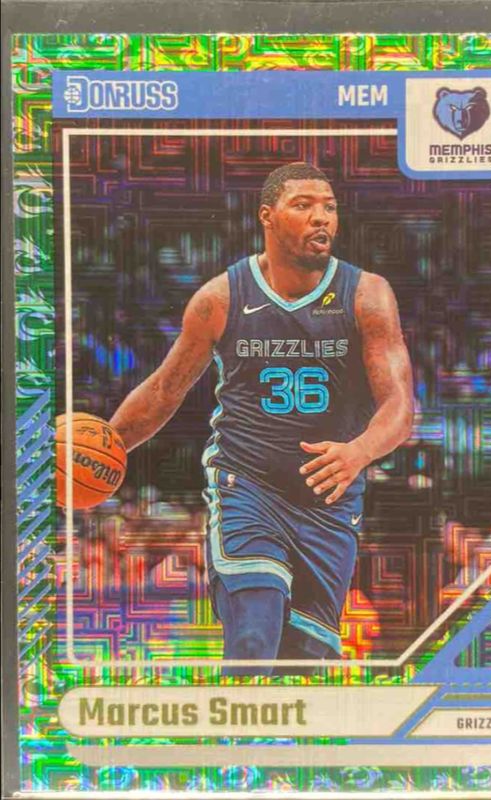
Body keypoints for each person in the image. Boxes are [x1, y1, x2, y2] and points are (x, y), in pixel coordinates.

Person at [110, 162, 413, 674]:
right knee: (253, 636)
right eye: (304, 205)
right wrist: (104, 449)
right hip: (247, 487)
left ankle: (264, 727)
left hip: (328, 505)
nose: (321, 217)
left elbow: (400, 408)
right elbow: (164, 390)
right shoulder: (220, 298)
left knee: (302, 666)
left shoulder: (368, 295)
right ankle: (234, 729)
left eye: (329, 207)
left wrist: (359, 451)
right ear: (267, 216)